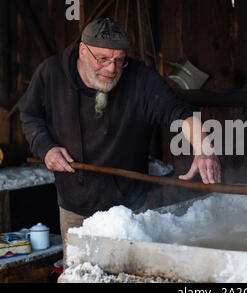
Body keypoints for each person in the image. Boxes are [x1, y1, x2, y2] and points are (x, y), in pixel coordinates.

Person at [19, 18, 221, 251]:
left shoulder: (141, 79)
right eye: (102, 59)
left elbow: (180, 113)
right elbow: (30, 115)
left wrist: (204, 148)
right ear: (83, 51)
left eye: (119, 60)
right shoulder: (51, 73)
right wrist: (45, 148)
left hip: (129, 212)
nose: (112, 69)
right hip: (74, 209)